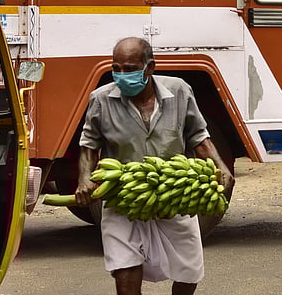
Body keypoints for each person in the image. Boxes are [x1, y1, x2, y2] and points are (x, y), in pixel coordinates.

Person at [75, 37, 234, 295]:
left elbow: (199, 137)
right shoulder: (101, 99)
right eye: (116, 68)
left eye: (129, 69)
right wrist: (85, 178)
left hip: (172, 193)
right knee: (124, 267)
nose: (121, 75)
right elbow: (89, 144)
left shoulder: (180, 92)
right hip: (123, 195)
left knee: (189, 269)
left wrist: (220, 166)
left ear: (150, 67)